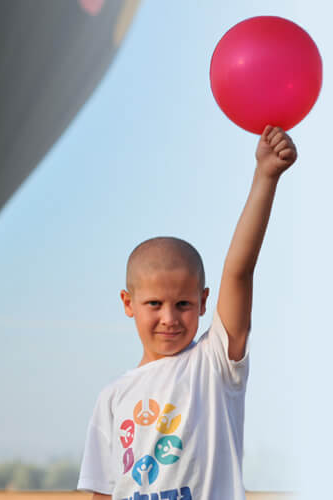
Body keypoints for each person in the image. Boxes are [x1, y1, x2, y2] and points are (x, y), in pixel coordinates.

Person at [77, 125, 297, 499]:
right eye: (154, 304)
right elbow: (99, 491)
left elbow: (238, 270)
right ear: (128, 304)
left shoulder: (215, 364)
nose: (169, 318)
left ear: (204, 302)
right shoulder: (112, 397)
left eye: (183, 304)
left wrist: (265, 175)